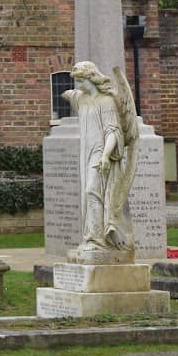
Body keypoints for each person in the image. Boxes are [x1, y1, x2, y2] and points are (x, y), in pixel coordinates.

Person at [63, 60, 138, 256]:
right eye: (76, 81)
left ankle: (99, 240)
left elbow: (113, 131)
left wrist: (106, 155)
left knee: (92, 192)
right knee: (87, 196)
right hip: (85, 154)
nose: (77, 85)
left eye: (80, 80)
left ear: (90, 78)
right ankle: (90, 237)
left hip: (100, 152)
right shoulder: (82, 99)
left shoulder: (106, 101)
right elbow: (69, 94)